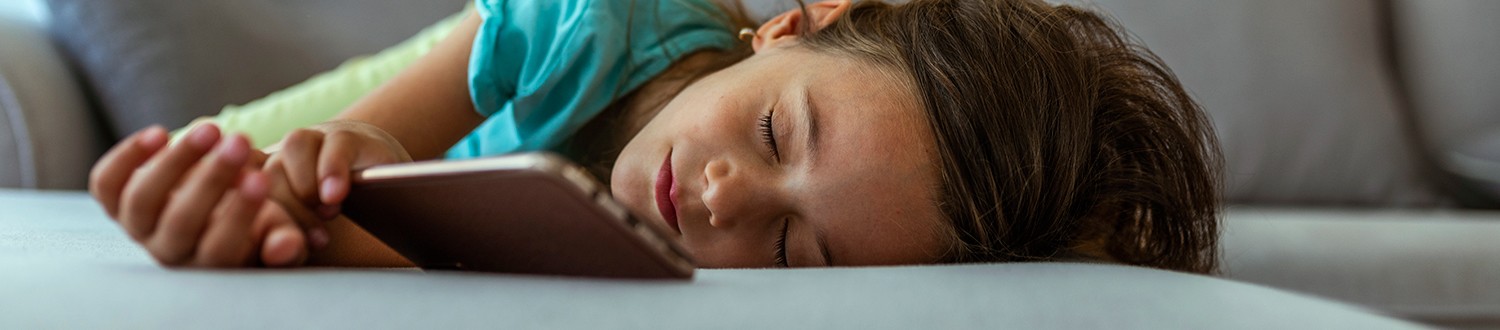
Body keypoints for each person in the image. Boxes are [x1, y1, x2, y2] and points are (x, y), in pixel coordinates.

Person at [87, 0, 1224, 273]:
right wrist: (313, 184)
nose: (725, 197)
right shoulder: (602, 22)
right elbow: (370, 143)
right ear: (789, 28)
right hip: (441, 97)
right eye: (775, 132)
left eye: (793, 250)